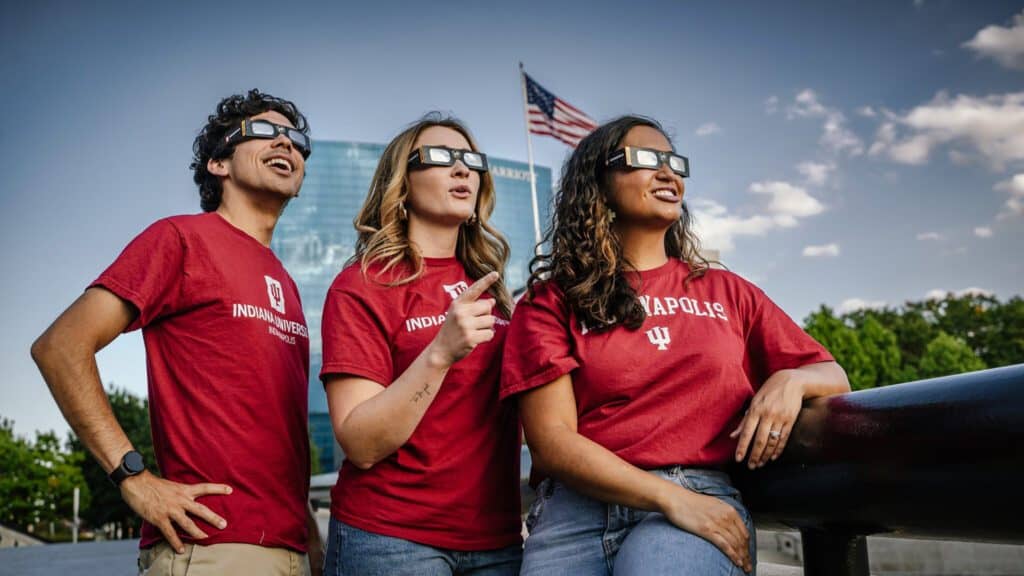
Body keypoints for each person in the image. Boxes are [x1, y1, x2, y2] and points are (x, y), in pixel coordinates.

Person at [500, 115, 851, 575]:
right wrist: (673, 500)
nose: (668, 173)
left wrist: (792, 379)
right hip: (575, 515)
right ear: (599, 183)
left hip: (695, 498)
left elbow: (833, 376)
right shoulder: (550, 302)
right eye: (645, 160)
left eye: (674, 163)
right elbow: (552, 443)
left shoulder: (728, 291)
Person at [31, 89, 324, 575]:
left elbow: (279, 433)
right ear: (218, 164)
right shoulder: (181, 239)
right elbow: (60, 346)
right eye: (264, 132)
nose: (286, 145)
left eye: (296, 140)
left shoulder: (285, 282)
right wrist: (133, 477)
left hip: (288, 550)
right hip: (210, 548)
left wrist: (309, 536)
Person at [319, 114, 522, 575]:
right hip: (391, 538)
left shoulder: (494, 291)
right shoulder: (362, 286)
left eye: (470, 159)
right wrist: (440, 352)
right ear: (402, 183)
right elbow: (361, 443)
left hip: (498, 540)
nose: (462, 169)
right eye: (440, 157)